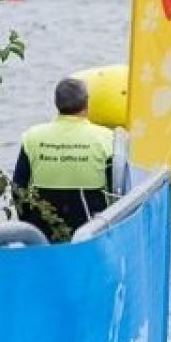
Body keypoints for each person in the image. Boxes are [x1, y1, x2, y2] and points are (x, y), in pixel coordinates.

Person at [12, 77, 114, 242]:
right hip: (90, 228)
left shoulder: (32, 137)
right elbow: (116, 191)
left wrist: (28, 224)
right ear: (86, 103)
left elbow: (18, 188)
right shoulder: (106, 138)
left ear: (56, 103)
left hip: (43, 229)